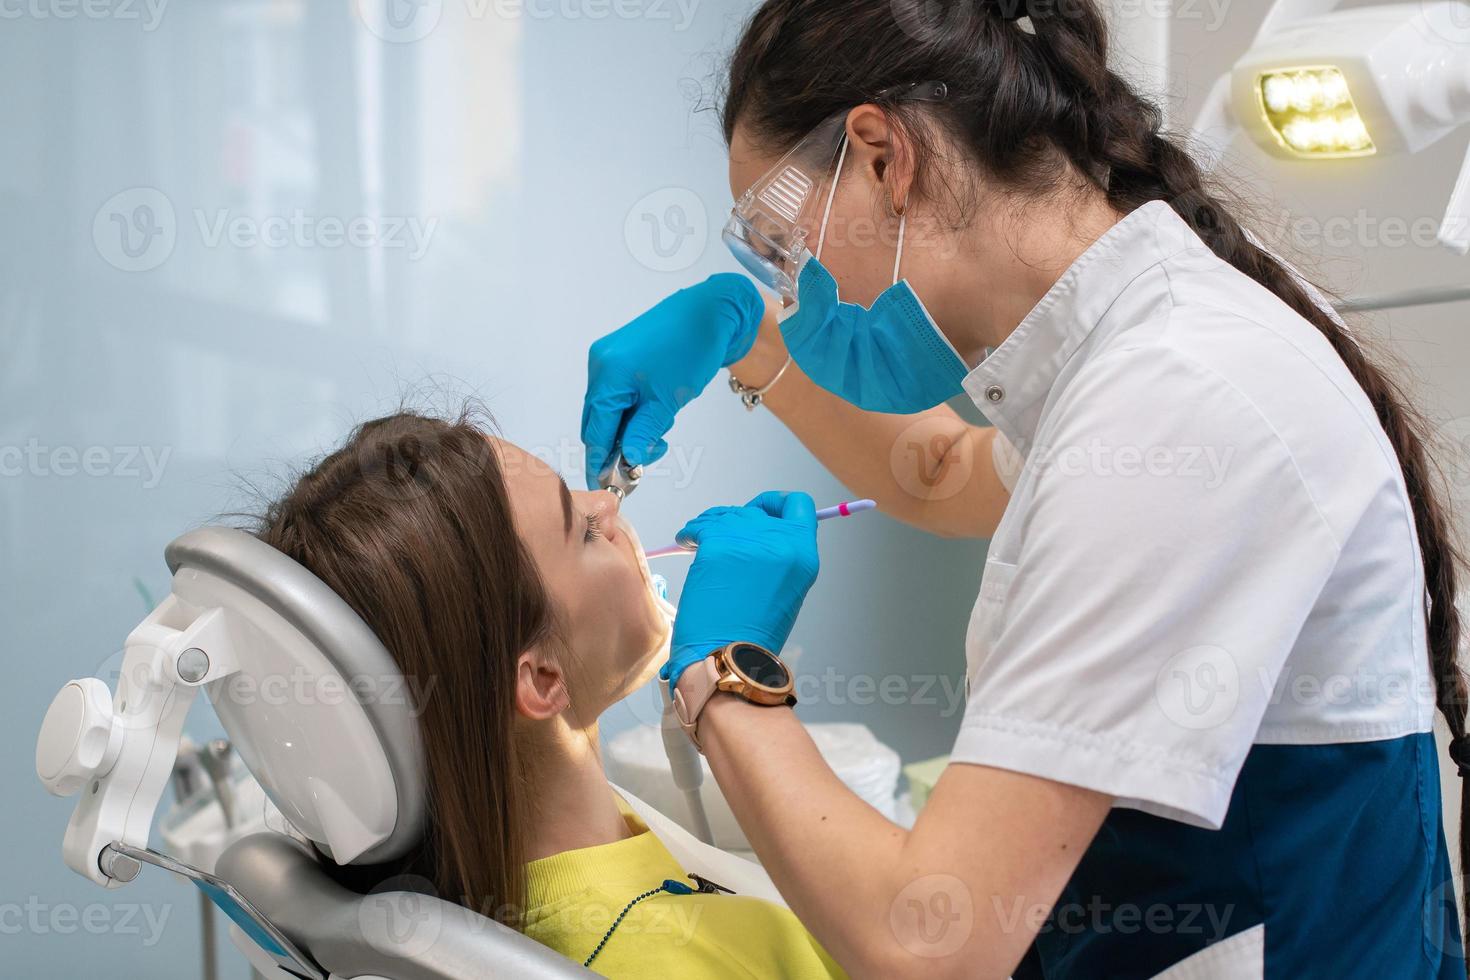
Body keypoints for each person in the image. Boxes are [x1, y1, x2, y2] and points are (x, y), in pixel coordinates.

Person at [581, 1, 1468, 977]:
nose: (794, 291)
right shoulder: (1136, 347)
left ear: (882, 156)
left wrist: (722, 671)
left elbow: (929, 942)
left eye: (782, 248)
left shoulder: (1177, 396)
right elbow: (946, 474)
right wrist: (749, 341)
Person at [254, 409, 845, 979]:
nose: (608, 504)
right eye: (584, 529)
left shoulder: (498, 885)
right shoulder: (707, 960)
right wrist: (736, 671)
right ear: (541, 680)